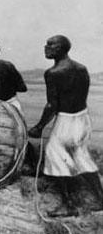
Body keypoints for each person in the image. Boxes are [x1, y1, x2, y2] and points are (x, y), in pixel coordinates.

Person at [28, 35, 103, 217]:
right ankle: (100, 200)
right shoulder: (81, 68)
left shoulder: (53, 73)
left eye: (50, 45)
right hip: (83, 119)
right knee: (82, 157)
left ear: (61, 48)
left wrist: (38, 127)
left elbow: (52, 106)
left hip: (66, 121)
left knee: (56, 157)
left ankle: (68, 205)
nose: (45, 47)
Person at [0, 41, 37, 169]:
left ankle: (11, 165)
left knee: (5, 137)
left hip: (2, 108)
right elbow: (23, 88)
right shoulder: (9, 65)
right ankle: (33, 165)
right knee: (22, 136)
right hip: (14, 104)